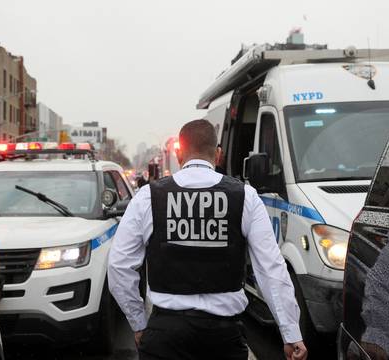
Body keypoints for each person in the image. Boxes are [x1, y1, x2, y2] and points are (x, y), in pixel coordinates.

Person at [108, 119, 307, 360]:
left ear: (179, 153)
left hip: (165, 336)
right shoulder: (245, 196)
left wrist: (139, 323)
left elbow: (119, 266)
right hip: (223, 339)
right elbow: (271, 268)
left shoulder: (148, 196)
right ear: (219, 154)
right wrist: (291, 332)